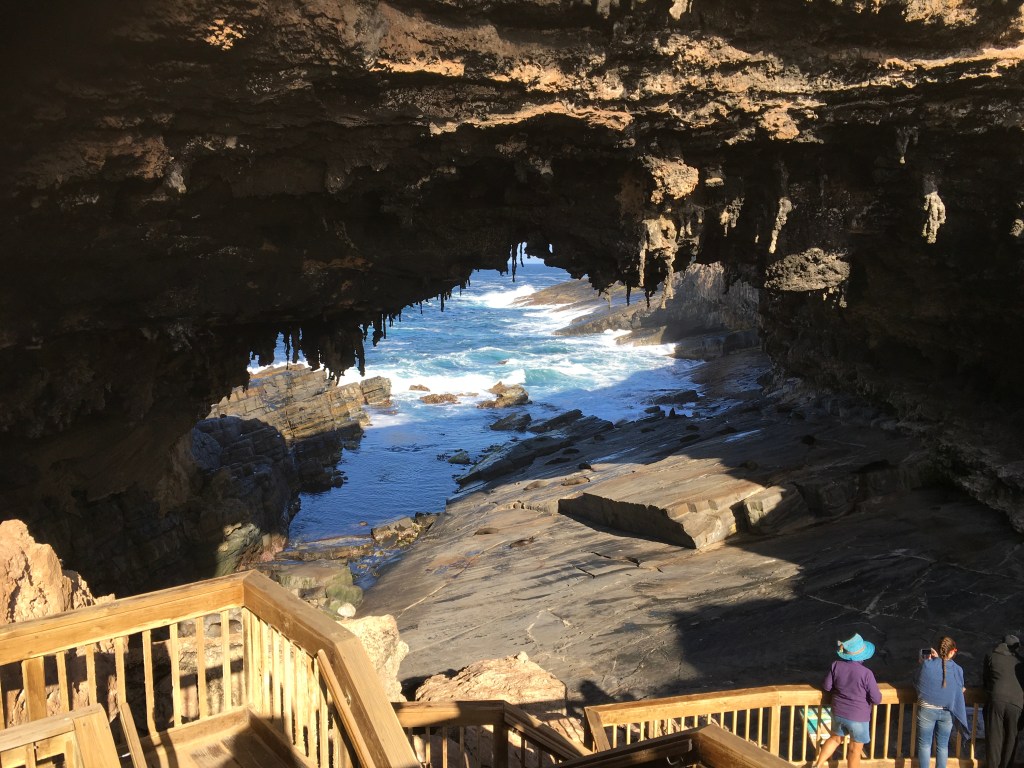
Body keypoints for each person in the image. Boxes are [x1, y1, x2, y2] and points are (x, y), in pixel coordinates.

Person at [813, 633, 882, 768]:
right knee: (855, 750)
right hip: (858, 717)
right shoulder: (866, 673)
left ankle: (818, 765)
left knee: (834, 739)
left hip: (839, 712)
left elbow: (827, 686)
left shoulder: (836, 665)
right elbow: (876, 699)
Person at [914, 636, 968, 768]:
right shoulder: (957, 669)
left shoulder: (927, 665)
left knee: (924, 745)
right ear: (952, 652)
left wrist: (927, 661)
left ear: (938, 650)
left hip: (926, 710)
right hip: (947, 712)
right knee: (943, 746)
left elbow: (917, 681)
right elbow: (958, 688)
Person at [982, 634, 1023, 768]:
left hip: (997, 699)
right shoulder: (1021, 662)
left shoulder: (991, 656)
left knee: (994, 739)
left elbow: (986, 680)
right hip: (1017, 704)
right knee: (1012, 739)